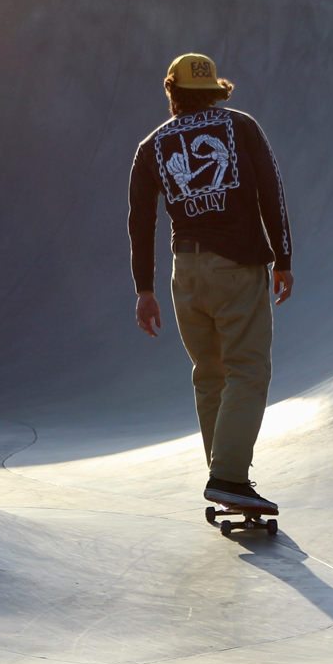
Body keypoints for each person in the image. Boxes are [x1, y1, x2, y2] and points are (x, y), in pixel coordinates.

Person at [128, 53, 293, 513]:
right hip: (237, 268)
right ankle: (228, 477)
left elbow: (140, 222)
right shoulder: (241, 127)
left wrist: (145, 288)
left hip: (187, 271)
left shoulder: (152, 146)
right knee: (247, 370)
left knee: (210, 375)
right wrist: (283, 257)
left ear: (172, 93)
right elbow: (270, 191)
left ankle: (224, 475)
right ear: (215, 92)